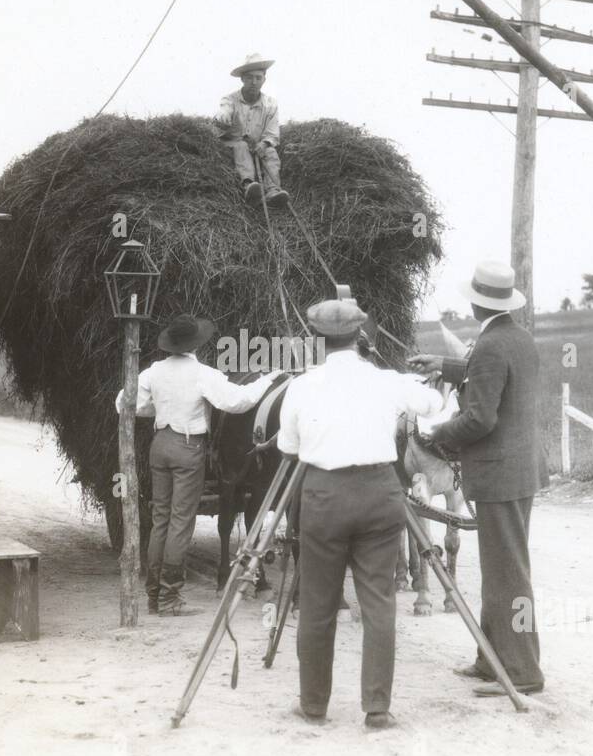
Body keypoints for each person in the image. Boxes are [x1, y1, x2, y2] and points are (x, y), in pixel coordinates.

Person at [278, 299, 444, 729]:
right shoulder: (386, 381)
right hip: (379, 495)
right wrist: (432, 378)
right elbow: (432, 405)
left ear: (317, 340)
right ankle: (377, 707)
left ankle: (313, 705)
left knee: (317, 604)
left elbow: (288, 449)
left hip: (324, 498)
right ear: (361, 338)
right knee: (379, 603)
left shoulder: (301, 386)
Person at [408, 260, 549, 697]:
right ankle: (491, 661)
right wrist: (446, 366)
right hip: (520, 470)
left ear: (475, 302)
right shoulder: (517, 337)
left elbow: (480, 419)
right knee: (500, 569)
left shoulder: (490, 345)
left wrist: (436, 431)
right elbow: (489, 374)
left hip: (499, 474)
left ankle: (523, 673)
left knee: (507, 574)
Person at [117, 315, 281, 616]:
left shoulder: (153, 372)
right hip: (188, 447)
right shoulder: (203, 374)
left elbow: (123, 403)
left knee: (161, 519)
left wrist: (163, 406)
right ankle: (169, 598)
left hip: (161, 443)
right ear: (196, 344)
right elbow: (238, 402)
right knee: (181, 521)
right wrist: (267, 381)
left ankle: (154, 594)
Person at [216, 53, 290, 207]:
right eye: (249, 77)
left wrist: (264, 144)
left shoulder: (270, 104)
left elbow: (271, 133)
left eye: (258, 77)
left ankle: (273, 190)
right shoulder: (230, 100)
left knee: (271, 153)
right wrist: (223, 117)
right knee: (241, 145)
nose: (254, 82)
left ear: (264, 79)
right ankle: (249, 185)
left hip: (257, 146)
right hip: (234, 145)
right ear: (242, 79)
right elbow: (224, 111)